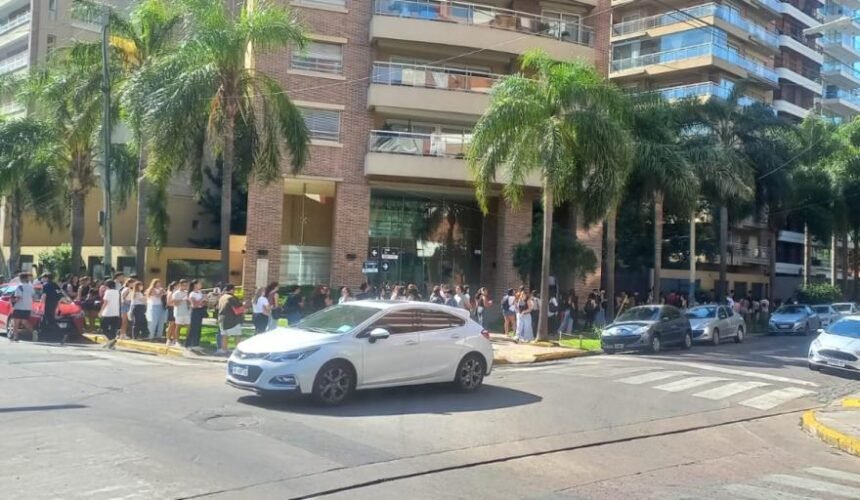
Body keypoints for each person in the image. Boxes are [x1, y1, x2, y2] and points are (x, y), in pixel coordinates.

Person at [216, 284, 244, 355]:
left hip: (222, 319)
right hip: (232, 320)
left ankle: (223, 349)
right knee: (237, 335)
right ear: (232, 290)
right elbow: (237, 310)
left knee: (224, 335)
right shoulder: (231, 298)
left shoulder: (222, 297)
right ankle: (238, 350)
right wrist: (244, 308)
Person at [40, 272, 66, 344]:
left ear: (46, 278)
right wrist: (58, 305)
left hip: (48, 304)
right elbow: (60, 296)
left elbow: (44, 296)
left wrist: (40, 304)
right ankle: (45, 336)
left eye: (43, 277)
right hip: (53, 304)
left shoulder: (45, 285)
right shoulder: (55, 285)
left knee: (50, 320)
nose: (42, 279)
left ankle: (61, 335)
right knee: (44, 320)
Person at [10, 272, 35, 342]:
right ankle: (34, 332)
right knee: (25, 322)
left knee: (16, 323)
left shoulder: (19, 287)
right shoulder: (31, 287)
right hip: (27, 307)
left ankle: (16, 337)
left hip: (19, 307)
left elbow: (18, 298)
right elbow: (33, 296)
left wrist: (13, 302)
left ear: (21, 278)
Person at [100, 280, 121, 346]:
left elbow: (105, 302)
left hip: (107, 313)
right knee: (113, 329)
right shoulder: (118, 292)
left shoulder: (108, 292)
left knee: (104, 328)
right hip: (116, 313)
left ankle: (111, 340)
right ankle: (111, 342)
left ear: (107, 286)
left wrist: (101, 311)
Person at [186, 280, 206, 348]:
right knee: (193, 328)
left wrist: (204, 301)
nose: (200, 285)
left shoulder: (200, 292)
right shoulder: (192, 294)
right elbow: (194, 304)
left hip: (200, 310)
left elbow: (202, 303)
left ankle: (196, 344)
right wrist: (202, 299)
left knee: (198, 328)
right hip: (195, 311)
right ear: (195, 285)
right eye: (199, 284)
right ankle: (189, 344)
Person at [172, 280, 191, 346]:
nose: (185, 286)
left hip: (186, 312)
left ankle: (187, 341)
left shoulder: (187, 292)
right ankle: (177, 341)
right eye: (184, 285)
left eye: (186, 285)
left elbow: (189, 303)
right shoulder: (176, 293)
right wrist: (182, 299)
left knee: (188, 326)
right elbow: (174, 303)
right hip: (179, 312)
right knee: (178, 326)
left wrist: (188, 301)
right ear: (180, 285)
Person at [164, 281, 178, 346]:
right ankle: (168, 339)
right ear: (174, 286)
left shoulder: (177, 293)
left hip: (176, 309)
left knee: (175, 325)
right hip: (171, 309)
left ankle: (174, 339)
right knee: (171, 324)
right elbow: (168, 303)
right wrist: (175, 303)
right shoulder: (170, 293)